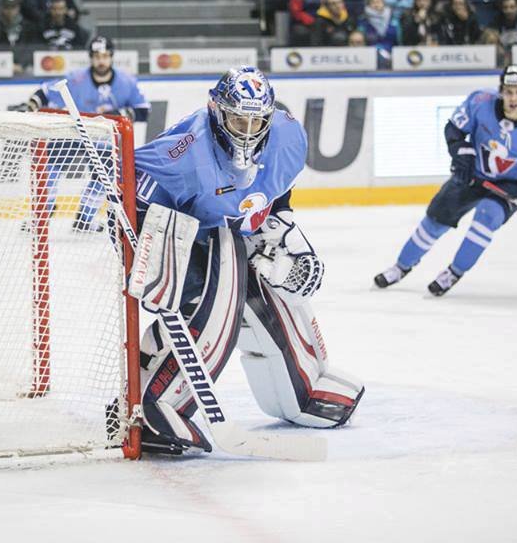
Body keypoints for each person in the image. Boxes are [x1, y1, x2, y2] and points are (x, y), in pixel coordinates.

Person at [131, 66, 364, 453]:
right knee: (217, 308)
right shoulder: (183, 151)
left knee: (276, 294)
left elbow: (275, 194)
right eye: (238, 119)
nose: (248, 130)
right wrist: (157, 257)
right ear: (216, 111)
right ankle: (159, 401)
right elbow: (133, 199)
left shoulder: (288, 134)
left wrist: (283, 233)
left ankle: (302, 390)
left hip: (236, 232)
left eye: (257, 120)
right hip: (191, 236)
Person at [374, 65, 517, 296]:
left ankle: (453, 273)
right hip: (473, 175)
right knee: (437, 218)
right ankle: (401, 267)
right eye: (508, 91)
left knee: (487, 215)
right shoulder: (480, 101)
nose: (513, 98)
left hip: (512, 184)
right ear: (501, 90)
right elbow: (453, 129)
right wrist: (461, 151)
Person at [27, 35, 149, 231]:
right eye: (96, 56)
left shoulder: (127, 82)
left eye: (105, 55)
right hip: (72, 135)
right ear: (90, 57)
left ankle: (85, 217)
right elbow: (44, 92)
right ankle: (43, 210)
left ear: (111, 56)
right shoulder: (76, 79)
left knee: (107, 173)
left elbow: (143, 111)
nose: (101, 60)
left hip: (103, 140)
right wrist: (33, 103)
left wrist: (119, 113)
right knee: (49, 166)